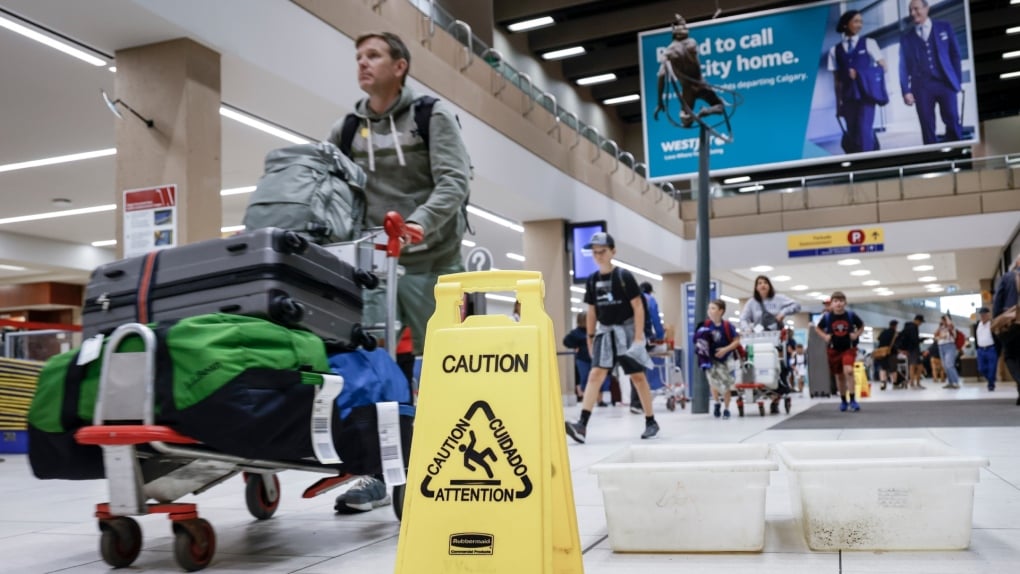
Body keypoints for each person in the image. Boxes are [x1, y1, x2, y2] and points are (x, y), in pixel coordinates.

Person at [328, 31, 471, 514]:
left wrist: (420, 223)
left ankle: (438, 463)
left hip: (434, 260)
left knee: (437, 369)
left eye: (373, 56)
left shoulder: (432, 117)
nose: (362, 64)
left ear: (400, 66)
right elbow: (336, 188)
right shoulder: (347, 128)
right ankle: (375, 470)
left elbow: (455, 180)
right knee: (373, 368)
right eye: (358, 57)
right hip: (375, 264)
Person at [565, 233, 660, 443]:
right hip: (605, 333)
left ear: (612, 252)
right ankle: (582, 425)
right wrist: (590, 338)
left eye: (603, 251)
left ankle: (651, 421)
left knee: (638, 377)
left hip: (627, 333)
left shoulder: (623, 277)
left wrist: (637, 336)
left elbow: (638, 307)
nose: (598, 256)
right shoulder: (592, 280)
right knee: (595, 375)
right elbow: (591, 311)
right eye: (595, 252)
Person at [898, 0, 963, 145]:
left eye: (916, 9)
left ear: (926, 9)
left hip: (945, 84)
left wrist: (957, 82)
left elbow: (955, 55)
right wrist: (905, 91)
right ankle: (933, 158)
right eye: (910, 10)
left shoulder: (944, 27)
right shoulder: (906, 39)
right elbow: (903, 67)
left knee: (952, 120)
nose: (913, 13)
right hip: (921, 88)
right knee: (927, 127)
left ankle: (956, 154)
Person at [828, 9, 886, 152]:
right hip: (848, 99)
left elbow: (883, 67)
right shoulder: (834, 51)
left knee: (864, 131)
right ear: (846, 24)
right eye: (856, 21)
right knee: (853, 133)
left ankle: (869, 165)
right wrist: (838, 105)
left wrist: (860, 74)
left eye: (861, 21)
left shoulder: (869, 43)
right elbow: (837, 82)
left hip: (866, 97)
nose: (860, 25)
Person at [653, 14, 725, 128]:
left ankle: (687, 117)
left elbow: (661, 75)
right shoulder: (692, 42)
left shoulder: (669, 52)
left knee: (686, 121)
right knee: (720, 107)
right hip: (701, 84)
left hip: (688, 91)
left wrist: (659, 102)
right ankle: (705, 112)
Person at [816, 291, 865, 412]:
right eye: (836, 301)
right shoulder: (827, 317)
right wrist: (825, 336)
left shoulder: (850, 315)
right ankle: (843, 400)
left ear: (845, 303)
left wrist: (856, 334)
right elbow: (818, 328)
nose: (839, 304)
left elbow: (861, 325)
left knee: (848, 371)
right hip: (833, 349)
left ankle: (853, 399)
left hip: (848, 348)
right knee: (840, 376)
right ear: (831, 304)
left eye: (841, 301)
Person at [698, 300, 741, 419]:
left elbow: (736, 341)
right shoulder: (705, 326)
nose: (709, 311)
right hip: (711, 360)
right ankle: (717, 402)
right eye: (709, 308)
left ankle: (726, 408)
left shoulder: (727, 326)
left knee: (726, 384)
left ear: (721, 311)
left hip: (726, 359)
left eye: (713, 308)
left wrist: (725, 350)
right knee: (713, 382)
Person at [630, 282, 666, 413]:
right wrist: (660, 336)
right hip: (643, 336)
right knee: (640, 369)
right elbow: (656, 319)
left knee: (633, 369)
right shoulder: (650, 299)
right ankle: (638, 403)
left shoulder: (630, 297)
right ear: (650, 291)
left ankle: (635, 402)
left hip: (629, 336)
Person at [562, 311, 611, 404]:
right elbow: (566, 342)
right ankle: (587, 400)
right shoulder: (576, 333)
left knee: (598, 379)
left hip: (596, 359)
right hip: (583, 360)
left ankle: (599, 400)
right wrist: (575, 346)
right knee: (585, 379)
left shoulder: (594, 331)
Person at [992, 255, 1020, 405]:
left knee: (1011, 356)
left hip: (1013, 323)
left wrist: (997, 320)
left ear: (1017, 263)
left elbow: (998, 302)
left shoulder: (1008, 277)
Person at [896, 314, 926, 390]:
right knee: (916, 366)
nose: (920, 324)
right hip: (913, 349)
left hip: (910, 349)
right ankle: (915, 383)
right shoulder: (913, 327)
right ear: (917, 320)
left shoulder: (907, 327)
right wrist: (922, 339)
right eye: (921, 322)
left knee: (913, 366)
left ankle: (913, 383)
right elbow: (914, 340)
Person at [973, 306, 998, 391]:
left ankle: (991, 384)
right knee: (981, 368)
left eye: (984, 315)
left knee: (992, 368)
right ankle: (991, 380)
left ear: (988, 315)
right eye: (981, 315)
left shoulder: (992, 324)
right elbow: (976, 337)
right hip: (980, 350)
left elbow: (997, 337)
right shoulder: (977, 325)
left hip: (991, 349)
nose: (983, 316)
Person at [934, 315, 962, 389]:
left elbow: (950, 325)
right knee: (945, 366)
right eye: (941, 320)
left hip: (950, 346)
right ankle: (950, 382)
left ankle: (956, 382)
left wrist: (947, 318)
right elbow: (935, 334)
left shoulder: (951, 326)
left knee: (949, 364)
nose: (942, 321)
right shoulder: (941, 328)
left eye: (943, 320)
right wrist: (940, 326)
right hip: (941, 346)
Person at [876, 319, 899, 390]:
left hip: (882, 353)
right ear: (895, 326)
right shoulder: (895, 333)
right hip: (891, 353)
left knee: (883, 368)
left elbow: (878, 339)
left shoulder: (884, 332)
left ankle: (883, 383)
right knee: (893, 369)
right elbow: (897, 344)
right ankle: (894, 384)